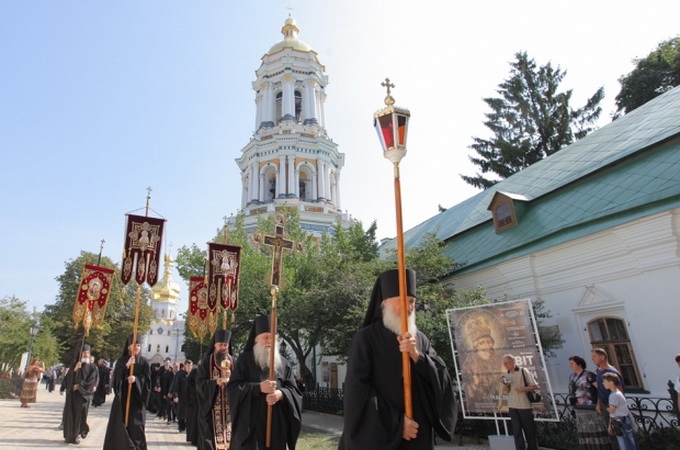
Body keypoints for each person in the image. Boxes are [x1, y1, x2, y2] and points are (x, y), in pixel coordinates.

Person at [339, 269, 457, 450]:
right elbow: (357, 392)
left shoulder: (421, 339)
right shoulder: (366, 339)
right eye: (403, 301)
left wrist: (417, 356)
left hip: (418, 434)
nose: (409, 307)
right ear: (385, 302)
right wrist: (397, 424)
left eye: (412, 301)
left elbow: (441, 380)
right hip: (380, 436)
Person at [228, 315, 303, 450]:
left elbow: (295, 391)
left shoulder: (284, 364)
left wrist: (281, 394)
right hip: (250, 427)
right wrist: (258, 388)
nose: (269, 341)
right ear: (257, 339)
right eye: (265, 337)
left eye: (272, 337)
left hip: (276, 427)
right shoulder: (244, 360)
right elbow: (233, 388)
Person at [103, 334, 152, 450]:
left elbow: (148, 382)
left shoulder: (144, 362)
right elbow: (116, 379)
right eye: (135, 345)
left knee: (137, 427)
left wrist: (137, 380)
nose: (137, 347)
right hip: (123, 399)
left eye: (139, 345)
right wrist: (127, 366)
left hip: (137, 401)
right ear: (129, 346)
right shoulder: (122, 360)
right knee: (120, 426)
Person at [459, 313, 505, 412]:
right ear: (476, 346)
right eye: (482, 343)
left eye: (489, 342)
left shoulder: (499, 359)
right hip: (482, 406)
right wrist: (476, 383)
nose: (487, 346)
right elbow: (468, 386)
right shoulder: (470, 362)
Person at [197, 330, 234, 450]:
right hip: (210, 411)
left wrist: (231, 377)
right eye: (221, 345)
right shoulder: (206, 362)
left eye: (225, 345)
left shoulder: (234, 362)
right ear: (215, 345)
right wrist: (215, 383)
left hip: (229, 412)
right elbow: (199, 384)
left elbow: (240, 384)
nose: (223, 347)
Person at [567, 355, 610, 448]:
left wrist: (599, 402)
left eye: (572, 363)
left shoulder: (589, 375)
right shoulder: (572, 376)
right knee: (583, 430)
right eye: (570, 364)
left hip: (590, 407)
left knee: (594, 428)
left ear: (579, 364)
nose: (571, 365)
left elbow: (600, 388)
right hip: (578, 407)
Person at [501, 354, 539, 450]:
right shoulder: (506, 374)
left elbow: (535, 386)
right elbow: (507, 390)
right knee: (517, 431)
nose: (505, 365)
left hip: (524, 406)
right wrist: (504, 384)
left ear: (512, 362)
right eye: (503, 363)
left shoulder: (523, 371)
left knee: (529, 431)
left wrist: (523, 388)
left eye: (506, 363)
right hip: (512, 406)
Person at [62, 344, 98, 444]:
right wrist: (74, 371)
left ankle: (76, 435)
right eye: (84, 353)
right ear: (81, 354)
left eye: (88, 353)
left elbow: (91, 381)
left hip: (83, 396)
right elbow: (68, 379)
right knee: (71, 414)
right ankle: (69, 436)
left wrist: (79, 386)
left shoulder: (92, 368)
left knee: (80, 416)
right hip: (73, 396)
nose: (86, 354)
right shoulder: (75, 365)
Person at [592, 347, 623, 449]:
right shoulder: (599, 371)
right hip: (604, 404)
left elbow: (619, 391)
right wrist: (598, 403)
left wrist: (615, 408)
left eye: (594, 356)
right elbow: (600, 389)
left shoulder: (610, 372)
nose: (593, 359)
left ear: (602, 357)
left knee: (617, 431)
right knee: (610, 432)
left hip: (613, 406)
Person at [603, 372, 637, 450]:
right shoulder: (613, 394)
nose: (603, 383)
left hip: (621, 421)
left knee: (626, 444)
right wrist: (610, 425)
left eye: (605, 381)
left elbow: (612, 410)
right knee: (624, 442)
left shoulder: (615, 395)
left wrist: (606, 408)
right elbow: (612, 414)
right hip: (618, 421)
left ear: (611, 383)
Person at [170, 359, 192, 433]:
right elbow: (175, 385)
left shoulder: (191, 374)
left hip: (189, 397)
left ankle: (186, 427)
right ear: (185, 365)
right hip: (181, 396)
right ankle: (181, 427)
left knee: (188, 413)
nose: (189, 367)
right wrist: (175, 395)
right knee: (181, 412)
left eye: (190, 366)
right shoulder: (179, 374)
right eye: (188, 366)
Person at [185, 362, 199, 446]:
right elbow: (188, 383)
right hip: (195, 400)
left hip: (204, 400)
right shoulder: (196, 371)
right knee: (194, 420)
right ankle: (193, 438)